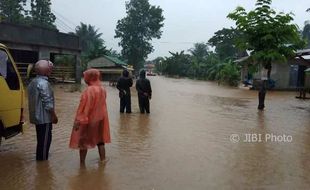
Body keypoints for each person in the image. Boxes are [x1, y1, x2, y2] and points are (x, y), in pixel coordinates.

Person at [69, 69, 111, 164]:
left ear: (90, 77)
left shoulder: (89, 90)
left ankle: (82, 165)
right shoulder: (102, 89)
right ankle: (103, 160)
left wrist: (78, 121)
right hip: (101, 118)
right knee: (100, 141)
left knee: (83, 141)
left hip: (89, 120)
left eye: (85, 76)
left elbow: (84, 107)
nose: (84, 78)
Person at [28, 60, 58, 161]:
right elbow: (48, 102)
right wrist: (53, 116)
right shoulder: (44, 83)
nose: (51, 70)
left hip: (37, 117)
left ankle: (40, 160)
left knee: (40, 141)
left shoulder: (33, 82)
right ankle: (42, 164)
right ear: (46, 71)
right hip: (44, 118)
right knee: (45, 141)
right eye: (50, 69)